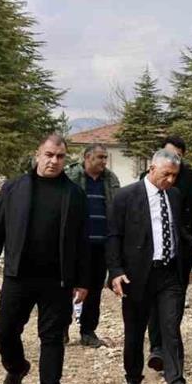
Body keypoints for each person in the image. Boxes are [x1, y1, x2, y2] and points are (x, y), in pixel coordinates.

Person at [0, 134, 89, 384]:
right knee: (4, 331)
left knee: (52, 338)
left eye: (60, 157)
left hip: (57, 280)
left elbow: (82, 242)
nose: (54, 161)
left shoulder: (74, 194)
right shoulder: (14, 188)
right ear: (37, 154)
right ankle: (16, 368)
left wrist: (83, 280)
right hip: (19, 276)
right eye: (49, 155)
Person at [106, 149, 192, 384]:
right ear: (152, 169)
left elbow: (179, 230)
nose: (170, 180)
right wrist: (115, 271)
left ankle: (176, 383)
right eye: (166, 174)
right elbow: (113, 236)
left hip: (169, 273)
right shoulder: (126, 196)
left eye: (175, 175)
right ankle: (133, 379)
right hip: (137, 275)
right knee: (135, 331)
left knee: (171, 328)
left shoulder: (174, 195)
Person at [145, 136, 192, 374]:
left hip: (181, 249)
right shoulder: (145, 182)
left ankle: (172, 364)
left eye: (176, 155)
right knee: (153, 306)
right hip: (151, 255)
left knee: (173, 306)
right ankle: (157, 347)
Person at [65, 143, 120, 348]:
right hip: (75, 244)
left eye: (105, 157)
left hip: (100, 244)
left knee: (94, 288)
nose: (104, 161)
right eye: (100, 157)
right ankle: (61, 328)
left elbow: (116, 208)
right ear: (87, 158)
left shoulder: (111, 179)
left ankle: (88, 331)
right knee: (67, 286)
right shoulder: (71, 177)